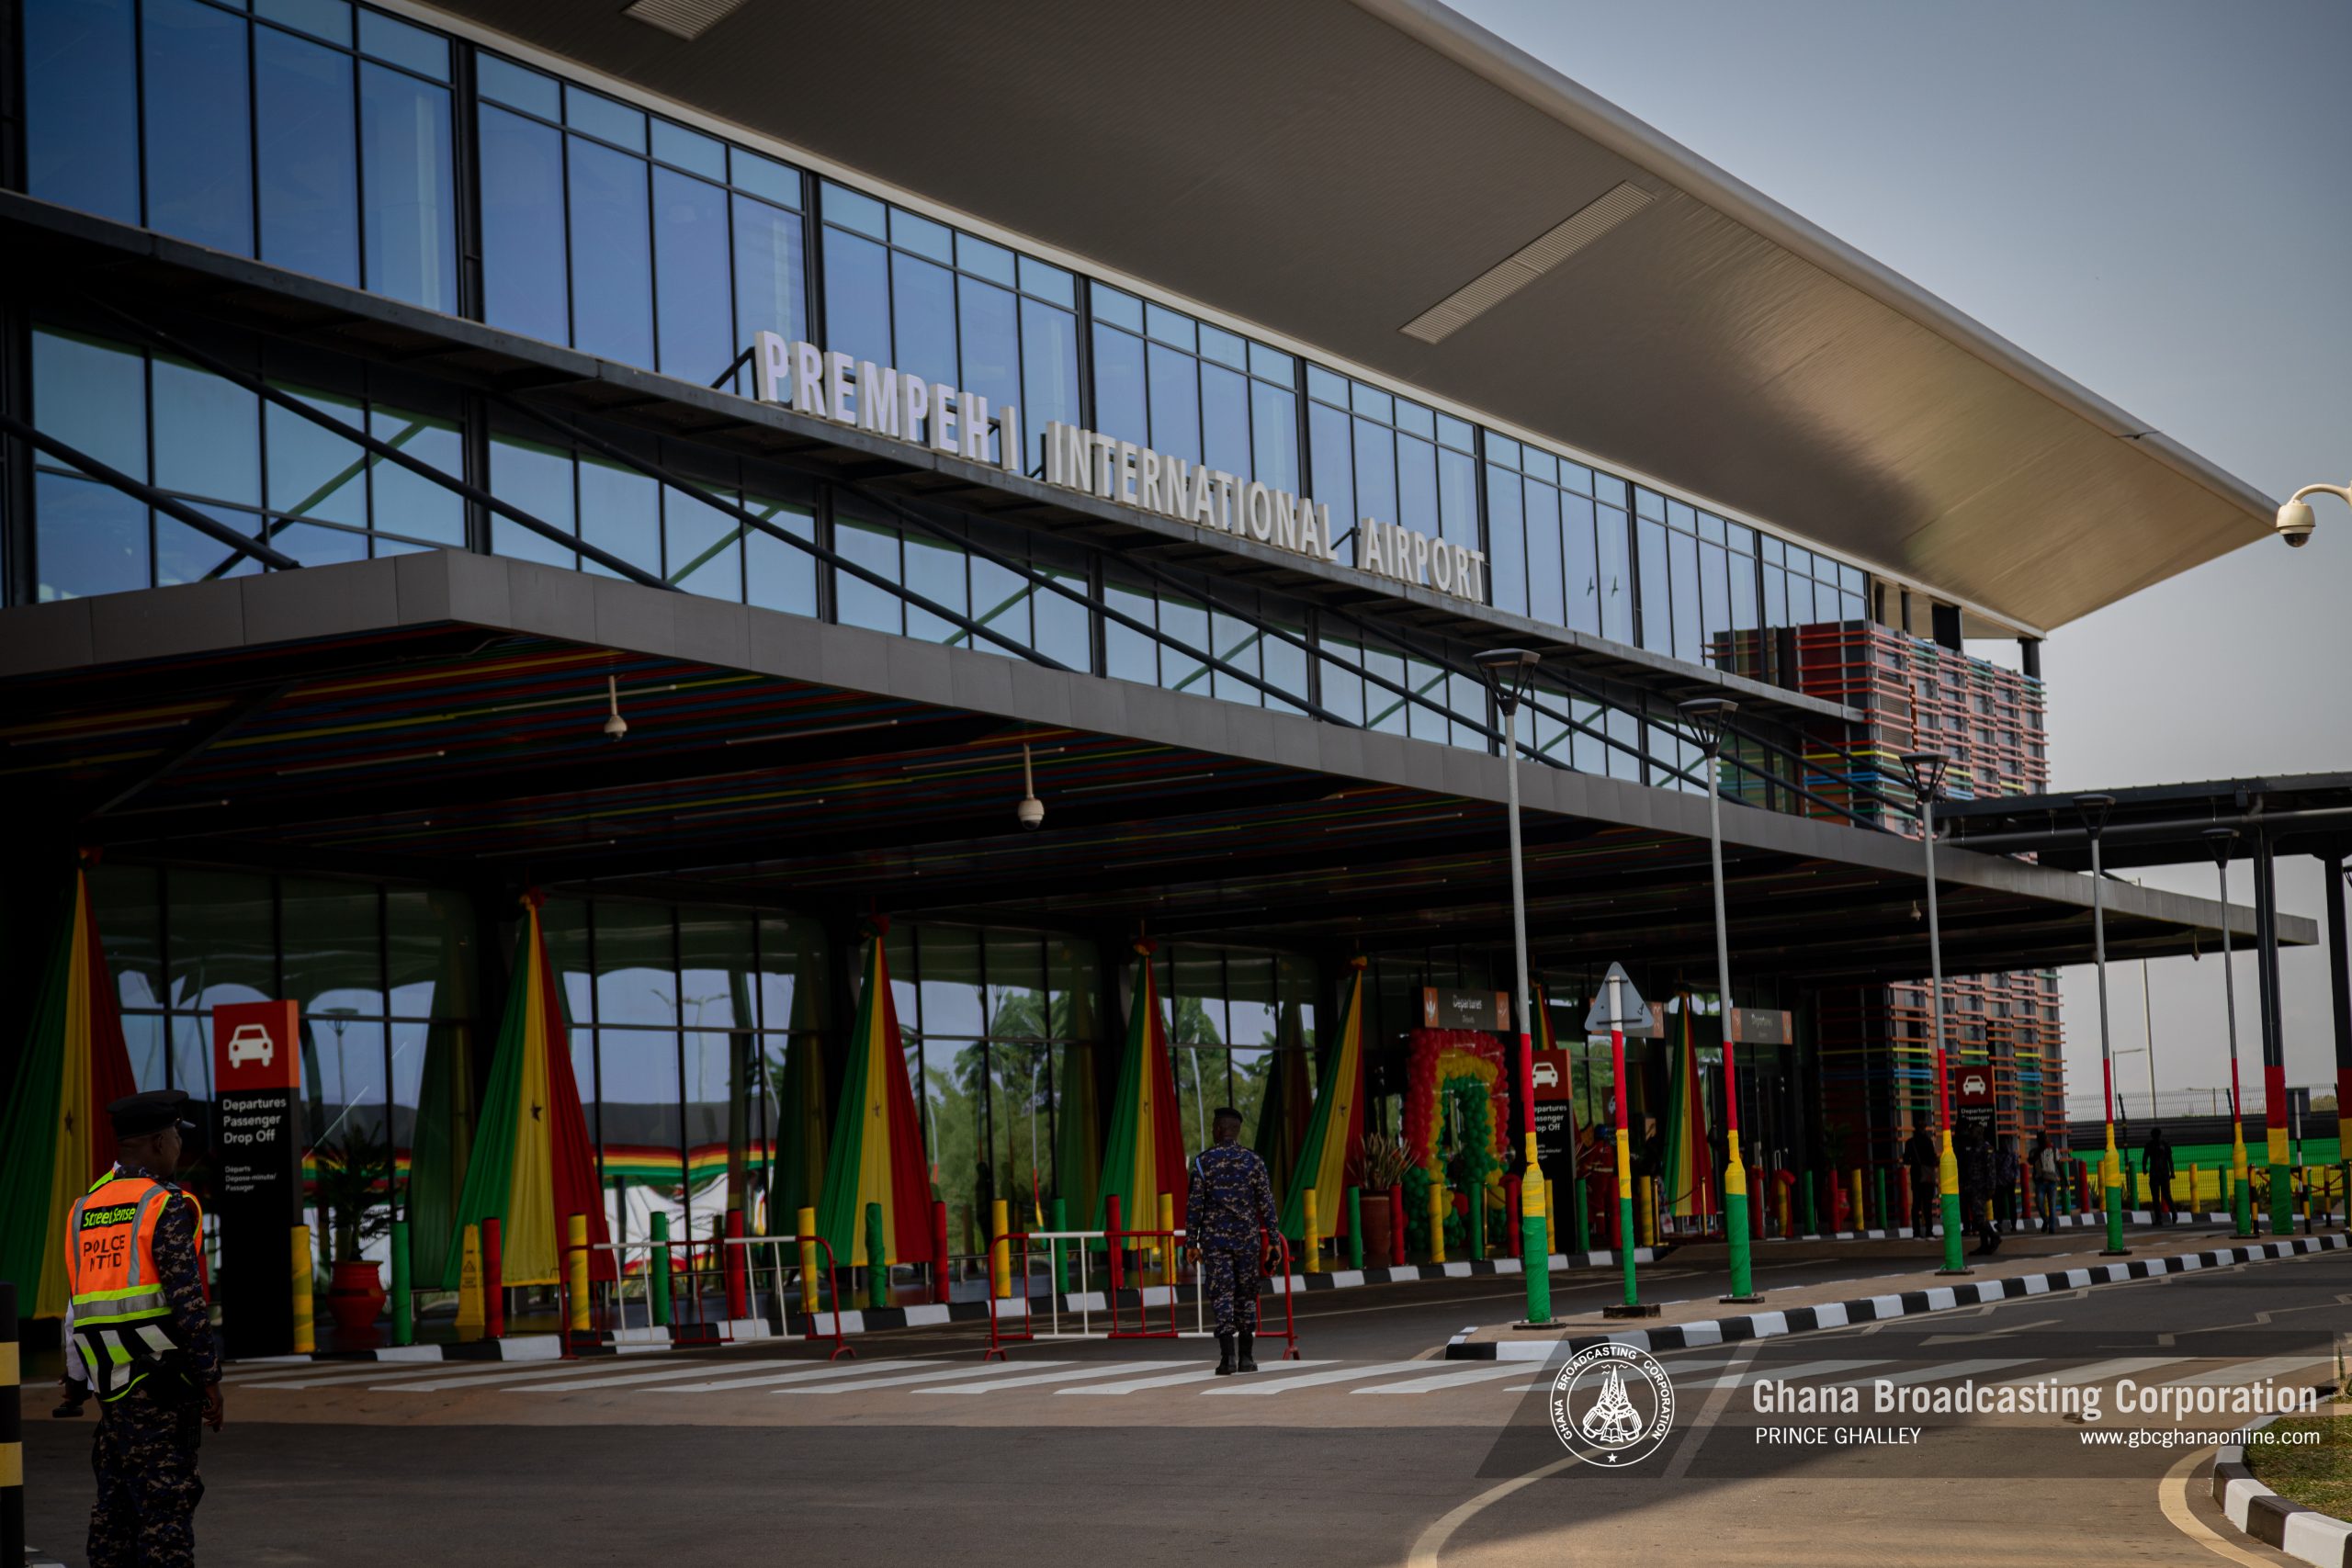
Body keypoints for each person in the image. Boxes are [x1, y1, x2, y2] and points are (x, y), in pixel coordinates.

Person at [66, 1089, 222, 1567]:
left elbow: (74, 1309)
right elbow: (187, 1302)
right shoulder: (165, 1204)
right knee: (165, 1515)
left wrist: (75, 1382)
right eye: (177, 1135)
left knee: (113, 1511)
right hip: (160, 1384)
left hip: (108, 1387)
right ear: (158, 1141)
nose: (180, 1145)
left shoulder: (85, 1209)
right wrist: (210, 1380)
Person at [1183, 1106, 1280, 1375]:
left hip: (1215, 1243)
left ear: (1217, 1129)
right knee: (1247, 1296)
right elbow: (1266, 1204)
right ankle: (1247, 1358)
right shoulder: (1254, 1161)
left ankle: (1228, 1360)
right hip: (1247, 1241)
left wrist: (1191, 1242)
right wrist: (1273, 1239)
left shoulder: (1204, 1162)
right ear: (1237, 1131)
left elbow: (1194, 1207)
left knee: (1222, 1296)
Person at [1960, 1122, 1999, 1256]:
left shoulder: (1986, 1148)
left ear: (1979, 1133)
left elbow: (1991, 1170)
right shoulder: (1972, 1149)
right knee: (1978, 1215)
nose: (1970, 1134)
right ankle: (1984, 1244)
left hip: (1982, 1187)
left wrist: (1991, 1188)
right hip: (1973, 1187)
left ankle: (1994, 1237)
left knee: (1978, 1215)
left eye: (1972, 1132)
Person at [1904, 1123, 1939, 1241]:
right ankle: (1929, 1232)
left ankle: (1916, 1233)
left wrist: (1914, 1162)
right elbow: (1934, 1159)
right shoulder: (1928, 1142)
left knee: (1916, 1205)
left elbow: (1905, 1160)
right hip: (1927, 1178)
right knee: (1927, 1206)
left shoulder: (1910, 1143)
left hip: (1916, 1177)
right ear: (1924, 1129)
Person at [2145, 1128, 2176, 1225]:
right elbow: (2170, 1160)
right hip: (2164, 1174)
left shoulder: (2149, 1145)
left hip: (2155, 1174)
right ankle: (2174, 1214)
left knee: (2155, 1197)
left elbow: (2144, 1158)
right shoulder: (2165, 1145)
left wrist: (2144, 1169)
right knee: (2166, 1195)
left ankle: (2159, 1219)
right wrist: (2172, 1172)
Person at [2032, 1134, 2061, 1235]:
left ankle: (2052, 1228)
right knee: (2039, 1204)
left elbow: (2059, 1165)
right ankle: (2046, 1219)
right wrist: (2040, 1150)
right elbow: (2030, 1161)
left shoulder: (2053, 1150)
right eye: (2042, 1140)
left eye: (2045, 1139)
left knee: (2052, 1206)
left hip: (2052, 1182)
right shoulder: (2035, 1152)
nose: (2045, 1141)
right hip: (2040, 1181)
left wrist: (2065, 1180)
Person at [1996, 1135, 2021, 1234]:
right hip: (2003, 1182)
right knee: (2003, 1204)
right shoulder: (2000, 1155)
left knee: (2010, 1204)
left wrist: (2014, 1178)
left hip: (2007, 1182)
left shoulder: (2011, 1155)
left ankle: (2012, 1224)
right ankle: (2001, 1223)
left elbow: (2016, 1169)